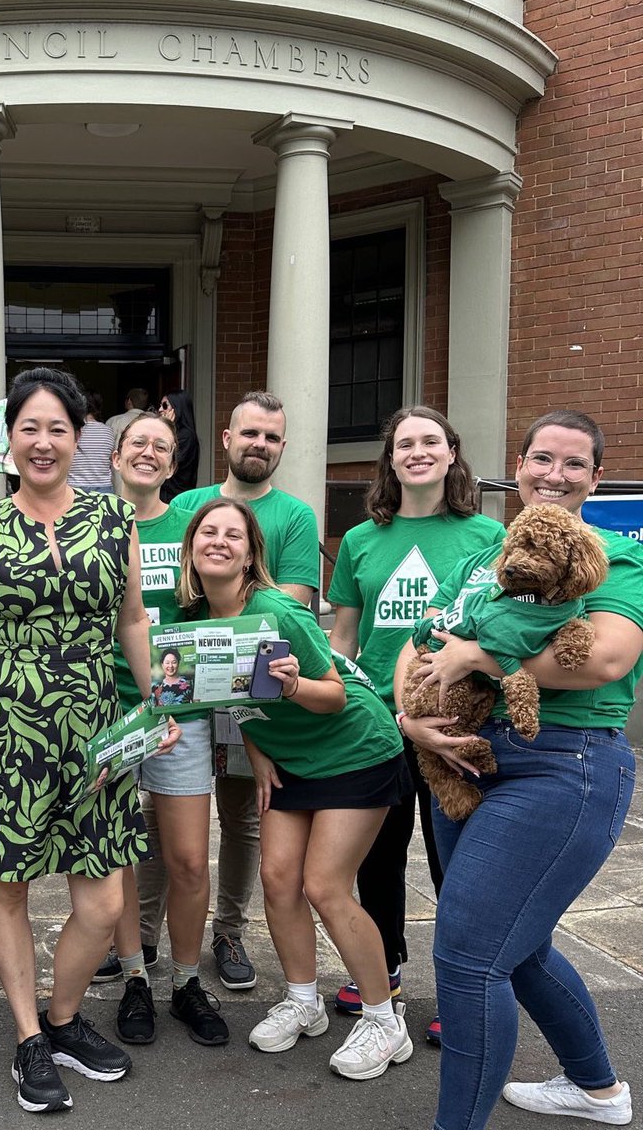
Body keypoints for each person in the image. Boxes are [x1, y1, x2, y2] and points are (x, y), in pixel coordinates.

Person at [0, 367, 179, 1115]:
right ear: (8, 439)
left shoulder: (115, 520)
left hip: (96, 727)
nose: (42, 442)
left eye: (58, 429)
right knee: (8, 886)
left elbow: (132, 619)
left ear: (80, 439)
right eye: (29, 428)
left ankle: (63, 1016)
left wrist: (156, 698)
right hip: (5, 727)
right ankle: (27, 1037)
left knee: (103, 902)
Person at [395, 410, 640, 1130]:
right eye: (541, 459)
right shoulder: (484, 559)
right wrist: (410, 719)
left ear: (596, 477)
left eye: (573, 463)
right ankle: (597, 1090)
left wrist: (481, 656)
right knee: (518, 948)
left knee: (469, 956)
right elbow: (422, 641)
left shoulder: (618, 557)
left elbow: (606, 657)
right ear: (520, 466)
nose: (554, 475)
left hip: (561, 764)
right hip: (466, 756)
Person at [178, 497, 415, 1079]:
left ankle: (385, 1020)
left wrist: (291, 688)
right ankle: (304, 1001)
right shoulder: (196, 623)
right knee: (278, 879)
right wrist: (258, 755)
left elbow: (333, 693)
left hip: (355, 751)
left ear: (250, 555)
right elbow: (234, 698)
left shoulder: (278, 611)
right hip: (290, 762)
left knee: (325, 886)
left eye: (233, 535)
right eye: (208, 532)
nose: (219, 541)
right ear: (191, 549)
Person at [327, 406, 504, 1044]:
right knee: (376, 858)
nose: (418, 452)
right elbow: (344, 637)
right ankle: (386, 971)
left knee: (454, 859)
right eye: (405, 444)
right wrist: (345, 703)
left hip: (454, 721)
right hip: (377, 722)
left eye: (431, 441)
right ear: (391, 460)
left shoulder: (487, 535)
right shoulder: (360, 540)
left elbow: (498, 625)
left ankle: (460, 986)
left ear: (452, 453)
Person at [135, 391, 319, 992]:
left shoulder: (294, 516)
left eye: (271, 437)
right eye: (250, 433)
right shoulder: (188, 504)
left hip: (249, 684)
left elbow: (285, 605)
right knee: (161, 819)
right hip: (183, 686)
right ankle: (143, 931)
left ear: (282, 446)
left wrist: (219, 642)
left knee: (243, 814)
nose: (259, 444)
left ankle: (230, 931)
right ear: (226, 438)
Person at [101, 413, 227, 1050]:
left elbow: (219, 612)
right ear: (116, 455)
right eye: (137, 443)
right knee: (119, 854)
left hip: (182, 714)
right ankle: (133, 977)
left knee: (187, 860)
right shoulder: (92, 524)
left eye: (162, 447)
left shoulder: (189, 527)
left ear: (173, 465)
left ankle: (185, 980)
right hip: (110, 713)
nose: (148, 453)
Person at [68, 391, 116, 493]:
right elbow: (111, 460)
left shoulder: (71, 430)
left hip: (74, 487)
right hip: (103, 488)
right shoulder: (108, 431)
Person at [157, 390, 200, 502]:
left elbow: (166, 460)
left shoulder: (186, 436)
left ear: (177, 408)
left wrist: (166, 428)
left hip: (175, 495)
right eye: (160, 405)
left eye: (165, 405)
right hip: (166, 492)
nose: (160, 409)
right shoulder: (176, 432)